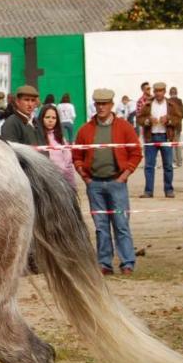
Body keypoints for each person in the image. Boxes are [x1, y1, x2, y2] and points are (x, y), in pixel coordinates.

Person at [74, 88, 141, 276]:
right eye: (98, 104)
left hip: (116, 183)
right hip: (94, 185)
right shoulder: (85, 130)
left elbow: (136, 152)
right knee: (101, 226)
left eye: (105, 103)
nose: (101, 107)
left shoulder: (125, 127)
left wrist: (123, 176)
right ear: (95, 105)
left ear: (112, 105)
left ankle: (127, 262)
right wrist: (84, 176)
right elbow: (76, 155)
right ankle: (104, 263)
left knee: (121, 223)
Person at [137, 81, 183, 198]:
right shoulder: (148, 104)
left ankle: (168, 190)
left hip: (166, 137)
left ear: (164, 91)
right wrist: (148, 121)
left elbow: (179, 118)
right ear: (154, 92)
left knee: (168, 165)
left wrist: (168, 120)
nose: (158, 93)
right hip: (150, 137)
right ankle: (148, 191)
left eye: (160, 91)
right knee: (149, 166)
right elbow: (139, 119)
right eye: (156, 91)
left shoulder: (171, 105)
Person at [38, 103, 78, 190]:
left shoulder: (61, 138)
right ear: (41, 118)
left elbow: (68, 164)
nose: (50, 120)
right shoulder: (37, 137)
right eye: (47, 117)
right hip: (44, 184)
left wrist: (73, 186)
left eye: (54, 118)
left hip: (62, 183)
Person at [168, 87, 183, 165]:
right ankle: (180, 161)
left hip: (170, 126)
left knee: (171, 143)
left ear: (170, 93)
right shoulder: (180, 102)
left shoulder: (168, 102)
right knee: (177, 143)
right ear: (177, 93)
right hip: (178, 125)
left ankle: (173, 160)